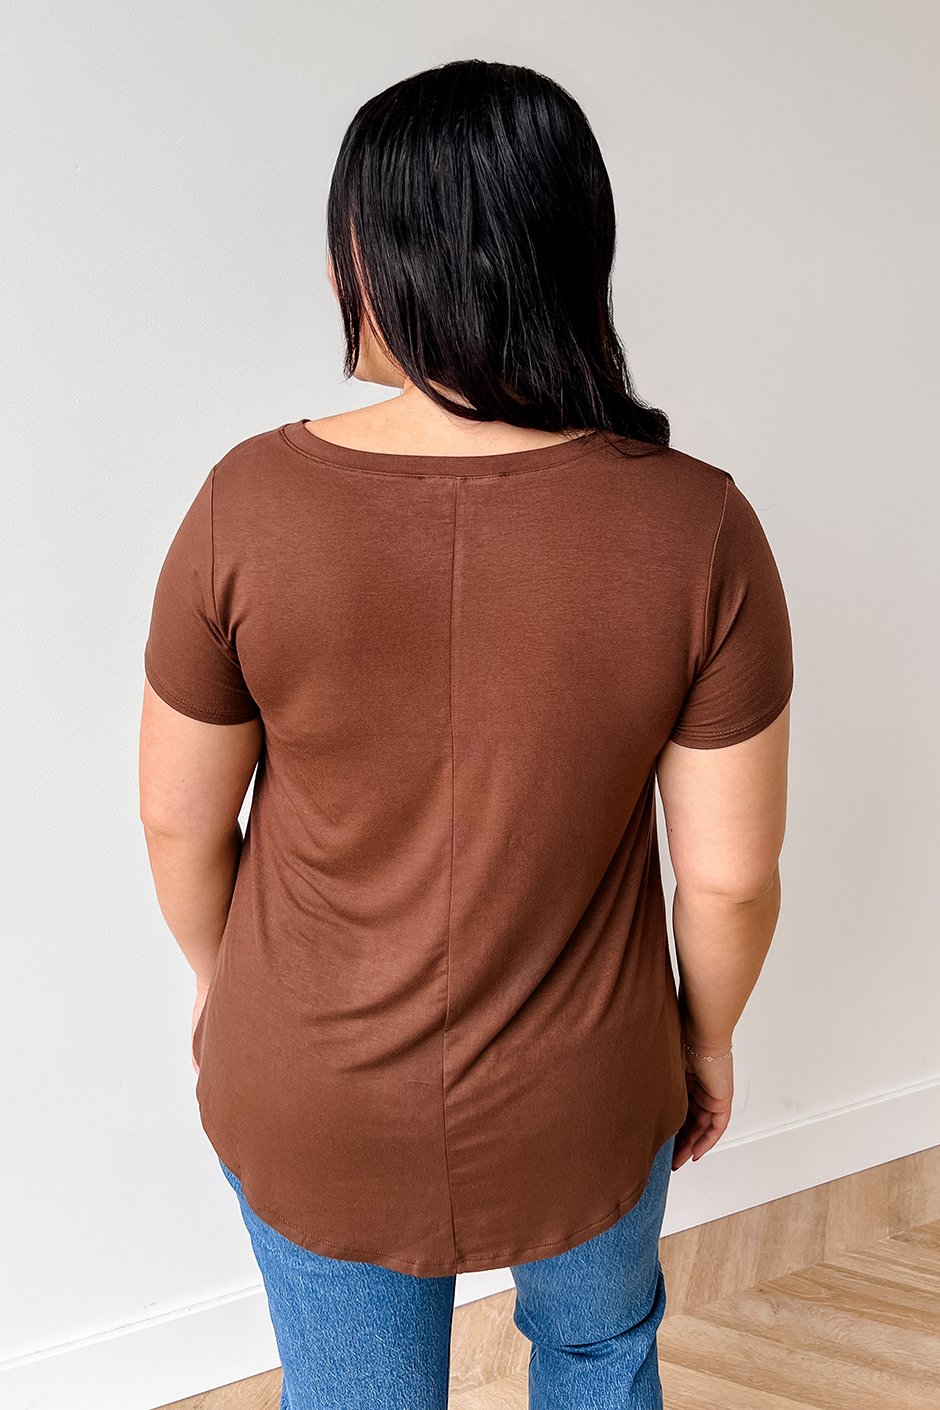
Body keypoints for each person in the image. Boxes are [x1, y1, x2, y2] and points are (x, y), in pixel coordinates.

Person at [139, 58, 793, 1410]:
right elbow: (728, 878)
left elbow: (176, 817)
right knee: (600, 1354)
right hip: (587, 1085)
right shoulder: (699, 527)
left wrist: (221, 978)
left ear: (373, 261)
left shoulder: (246, 502)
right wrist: (706, 1041)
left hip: (310, 1079)